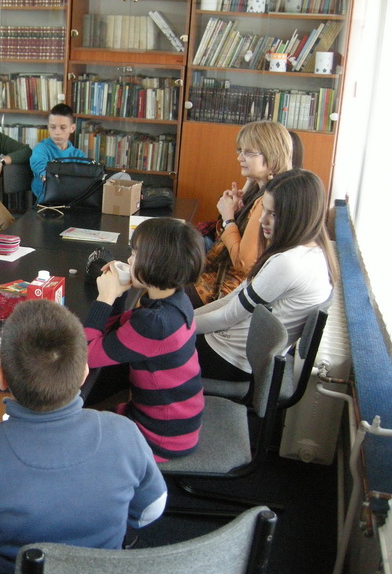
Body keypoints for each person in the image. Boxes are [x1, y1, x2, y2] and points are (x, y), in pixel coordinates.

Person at [0, 299, 167, 574]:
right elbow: (149, 511)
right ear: (84, 373)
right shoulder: (125, 433)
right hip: (97, 572)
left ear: (2, 378)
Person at [195, 169, 335, 383]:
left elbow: (227, 316)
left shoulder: (288, 263)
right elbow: (231, 300)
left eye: (273, 214)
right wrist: (183, 319)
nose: (262, 220)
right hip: (241, 355)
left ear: (298, 216)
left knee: (147, 348)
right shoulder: (314, 251)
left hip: (231, 360)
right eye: (264, 210)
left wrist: (176, 327)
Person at [84, 218, 205, 462]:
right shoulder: (176, 301)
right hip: (174, 421)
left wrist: (104, 298)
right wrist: (120, 293)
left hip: (161, 437)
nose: (129, 260)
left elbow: (83, 355)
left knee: (74, 438)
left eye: (135, 254)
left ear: (155, 263)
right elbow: (116, 333)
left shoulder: (155, 323)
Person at [190, 120, 293, 307]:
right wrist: (234, 214)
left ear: (272, 155)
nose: (239, 158)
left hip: (223, 289)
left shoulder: (267, 201)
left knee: (155, 288)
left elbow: (243, 263)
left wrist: (229, 219)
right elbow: (224, 241)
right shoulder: (259, 190)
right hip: (217, 277)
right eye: (240, 151)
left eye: (248, 152)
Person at [30, 103, 84, 202]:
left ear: (72, 128)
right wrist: (45, 175)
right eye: (53, 127)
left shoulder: (78, 155)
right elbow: (38, 164)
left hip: (72, 201)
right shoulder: (41, 149)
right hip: (46, 203)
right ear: (48, 127)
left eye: (63, 127)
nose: (57, 132)